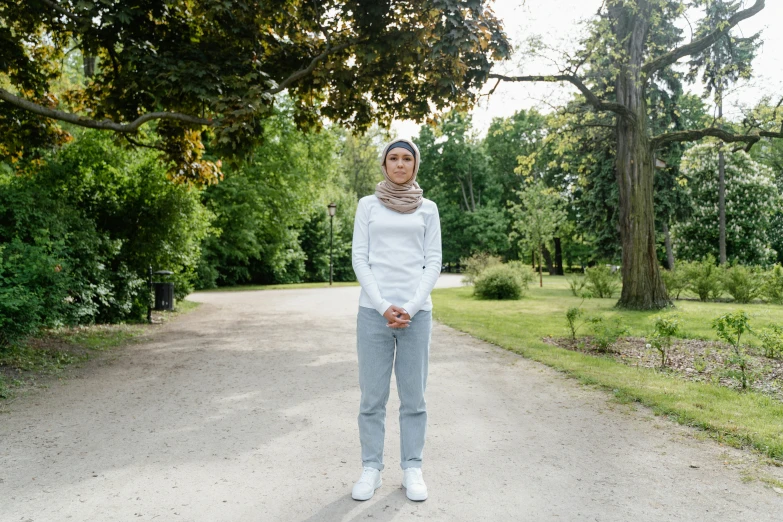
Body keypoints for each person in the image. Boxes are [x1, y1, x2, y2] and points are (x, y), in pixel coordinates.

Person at [350, 137, 442, 502]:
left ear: (415, 165)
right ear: (384, 164)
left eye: (407, 158)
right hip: (373, 314)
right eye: (394, 158)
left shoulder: (428, 209)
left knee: (414, 397)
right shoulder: (367, 206)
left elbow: (433, 261)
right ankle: (371, 468)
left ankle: (412, 468)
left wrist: (412, 307)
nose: (400, 164)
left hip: (417, 316)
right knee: (372, 397)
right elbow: (360, 258)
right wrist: (384, 305)